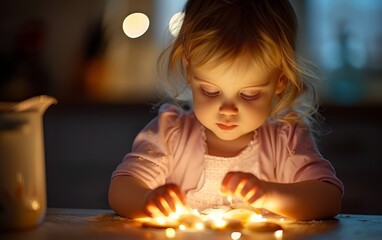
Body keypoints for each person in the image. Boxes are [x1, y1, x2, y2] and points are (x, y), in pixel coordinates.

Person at [108, 0, 343, 221]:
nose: (228, 110)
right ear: (189, 71)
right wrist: (145, 200)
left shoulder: (285, 139)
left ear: (280, 81)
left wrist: (269, 195)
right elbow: (122, 188)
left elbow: (328, 198)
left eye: (249, 94)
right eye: (210, 91)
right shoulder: (170, 134)